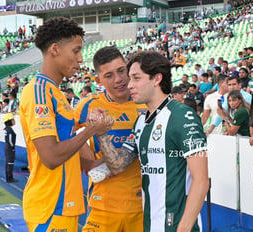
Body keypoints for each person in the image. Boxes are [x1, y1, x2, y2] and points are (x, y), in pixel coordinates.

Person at [91, 51, 209, 231]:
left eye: (136, 78)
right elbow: (117, 165)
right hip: (149, 224)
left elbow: (201, 179)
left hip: (176, 225)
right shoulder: (140, 123)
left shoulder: (184, 116)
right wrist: (101, 133)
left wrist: (184, 227)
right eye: (130, 78)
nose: (129, 85)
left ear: (156, 79)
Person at [18, 17, 111, 231]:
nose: (80, 59)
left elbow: (70, 147)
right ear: (55, 50)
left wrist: (96, 164)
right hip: (50, 206)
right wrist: (90, 130)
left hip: (65, 206)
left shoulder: (56, 94)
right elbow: (51, 158)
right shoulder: (38, 92)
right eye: (76, 51)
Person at [75, 46, 144, 231]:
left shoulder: (147, 102)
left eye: (121, 71)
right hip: (102, 207)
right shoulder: (88, 106)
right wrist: (88, 162)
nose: (119, 79)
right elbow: (62, 135)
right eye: (109, 75)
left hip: (142, 208)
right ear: (98, 80)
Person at [3, 113, 18, 183]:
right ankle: (9, 178)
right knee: (10, 163)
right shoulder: (9, 129)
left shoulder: (8, 129)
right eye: (13, 119)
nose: (14, 121)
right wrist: (12, 147)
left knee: (8, 162)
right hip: (9, 148)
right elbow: (10, 140)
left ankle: (9, 177)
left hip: (8, 147)